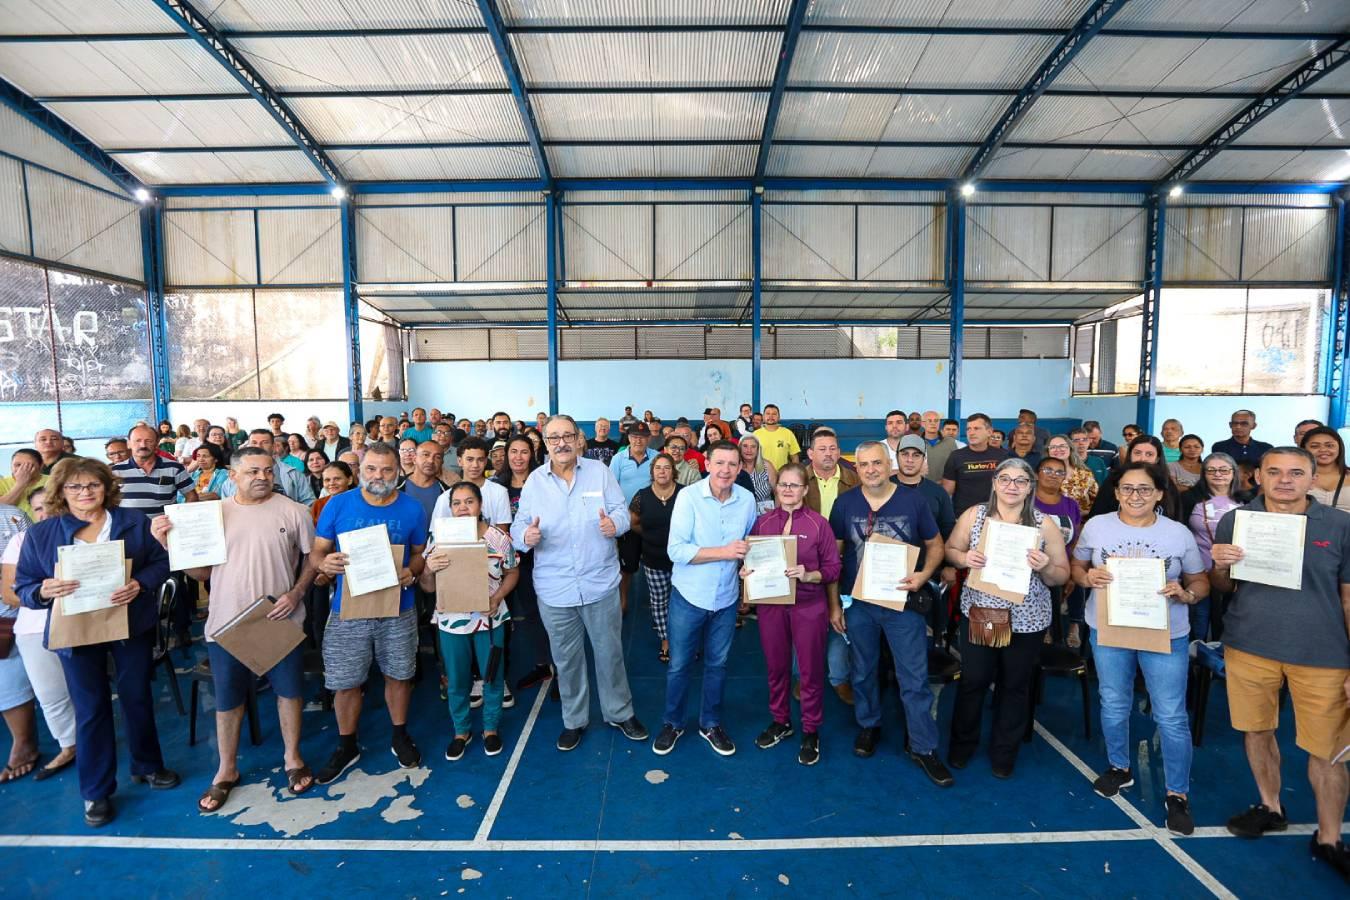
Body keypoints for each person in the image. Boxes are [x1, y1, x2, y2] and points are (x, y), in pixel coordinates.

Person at [151, 447, 318, 812]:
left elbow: (312, 557)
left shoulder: (294, 511)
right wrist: (170, 546)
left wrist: (297, 591)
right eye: (253, 471)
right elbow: (201, 574)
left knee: (289, 693)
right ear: (233, 475)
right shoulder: (212, 516)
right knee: (228, 701)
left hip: (279, 618)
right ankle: (227, 770)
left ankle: (292, 758)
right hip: (226, 623)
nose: (262, 477)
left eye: (268, 471)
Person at [1210, 447, 1350, 878]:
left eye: (1296, 473)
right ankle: (1270, 805)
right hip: (1249, 645)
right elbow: (1223, 585)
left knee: (1327, 751)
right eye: (1275, 472)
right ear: (1258, 477)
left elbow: (1348, 598)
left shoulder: (1341, 525)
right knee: (1257, 730)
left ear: (1313, 479)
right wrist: (1220, 566)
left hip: (1323, 654)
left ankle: (1329, 837)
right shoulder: (1237, 520)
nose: (1285, 480)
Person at [15, 458, 177, 827]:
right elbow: (22, 586)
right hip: (75, 631)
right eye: (75, 487)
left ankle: (148, 766)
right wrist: (42, 589)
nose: (85, 492)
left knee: (137, 696)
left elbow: (162, 562)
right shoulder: (42, 533)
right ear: (60, 492)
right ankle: (96, 791)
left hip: (130, 624)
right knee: (91, 708)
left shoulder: (133, 523)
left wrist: (141, 584)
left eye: (93, 485)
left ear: (106, 487)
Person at [1071, 461, 1209, 836]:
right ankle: (1120, 767)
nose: (1136, 496)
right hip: (1109, 628)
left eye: (1145, 489)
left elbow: (1200, 581)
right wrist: (1086, 577)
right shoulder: (1097, 526)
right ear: (1116, 492)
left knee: (1171, 715)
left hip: (1165, 634)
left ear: (1160, 494)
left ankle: (1177, 793)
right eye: (1128, 489)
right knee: (1114, 701)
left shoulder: (1177, 533)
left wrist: (1187, 593)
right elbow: (1076, 567)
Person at [510, 415, 646, 752]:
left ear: (579, 439)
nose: (561, 443)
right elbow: (517, 529)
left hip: (599, 583)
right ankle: (574, 720)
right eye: (553, 437)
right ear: (545, 441)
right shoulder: (535, 482)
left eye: (567, 435)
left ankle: (619, 712)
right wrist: (526, 536)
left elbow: (620, 512)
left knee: (609, 652)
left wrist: (614, 525)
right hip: (555, 589)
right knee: (567, 660)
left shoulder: (599, 472)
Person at [830, 441, 952, 787]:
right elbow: (835, 557)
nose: (871, 469)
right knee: (863, 671)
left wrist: (924, 575)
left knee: (913, 677)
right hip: (860, 604)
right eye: (864, 464)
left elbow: (936, 544)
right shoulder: (845, 503)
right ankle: (869, 726)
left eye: (877, 463)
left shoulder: (915, 501)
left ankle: (924, 747)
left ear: (890, 464)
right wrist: (834, 603)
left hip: (903, 604)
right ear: (858, 468)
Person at [311, 443, 428, 784]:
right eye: (371, 469)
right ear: (360, 471)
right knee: (346, 682)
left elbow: (420, 553)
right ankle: (347, 744)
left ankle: (399, 734)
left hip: (399, 607)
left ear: (399, 472)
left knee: (400, 674)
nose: (378, 476)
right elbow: (317, 554)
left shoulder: (413, 509)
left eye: (387, 470)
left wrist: (414, 571)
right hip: (348, 609)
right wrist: (325, 563)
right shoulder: (338, 504)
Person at [946, 458, 1070, 778]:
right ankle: (963, 744)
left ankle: (1004, 751)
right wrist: (964, 557)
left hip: (1026, 620)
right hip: (986, 612)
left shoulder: (1044, 524)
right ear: (994, 483)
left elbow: (1060, 576)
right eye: (1005, 479)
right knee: (975, 680)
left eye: (1019, 481)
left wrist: (1044, 566)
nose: (1011, 486)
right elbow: (951, 549)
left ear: (1030, 487)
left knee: (1013, 685)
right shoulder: (975, 516)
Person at [652, 441, 756, 757]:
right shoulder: (688, 497)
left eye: (732, 464)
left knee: (718, 665)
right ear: (707, 464)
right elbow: (676, 551)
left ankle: (710, 723)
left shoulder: (747, 500)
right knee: (680, 665)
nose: (726, 470)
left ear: (740, 468)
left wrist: (746, 569)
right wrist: (725, 553)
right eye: (720, 463)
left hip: (725, 599)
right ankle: (673, 722)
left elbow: (751, 544)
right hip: (689, 597)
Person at [744, 461, 842, 766]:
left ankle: (811, 729)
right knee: (776, 667)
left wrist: (808, 574)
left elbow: (833, 568)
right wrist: (746, 571)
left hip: (808, 606)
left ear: (805, 489)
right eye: (783, 484)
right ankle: (781, 721)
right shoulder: (762, 522)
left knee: (810, 671)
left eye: (794, 485)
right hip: (772, 605)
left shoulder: (818, 524)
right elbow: (750, 557)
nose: (788, 490)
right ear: (776, 488)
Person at [421, 482, 518, 760]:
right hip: (452, 621)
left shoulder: (498, 538)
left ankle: (490, 728)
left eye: (469, 502)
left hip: (490, 621)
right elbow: (428, 587)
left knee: (492, 675)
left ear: (480, 505)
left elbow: (512, 573)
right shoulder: (438, 540)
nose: (463, 508)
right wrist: (428, 569)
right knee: (457, 679)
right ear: (450, 508)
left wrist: (497, 597)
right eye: (457, 503)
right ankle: (461, 731)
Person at [3, 486, 77, 781]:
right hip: (35, 627)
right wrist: (43, 595)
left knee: (89, 688)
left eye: (50, 505)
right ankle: (69, 745)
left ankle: (95, 740)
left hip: (83, 622)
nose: (45, 513)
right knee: (51, 694)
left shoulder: (82, 534)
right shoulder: (22, 540)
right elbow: (8, 594)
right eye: (38, 509)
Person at [497, 436, 552, 692]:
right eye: (513, 452)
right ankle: (540, 664)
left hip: (536, 558)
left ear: (533, 454)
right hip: (504, 562)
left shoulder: (543, 481)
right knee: (518, 615)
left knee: (543, 614)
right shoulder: (498, 486)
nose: (518, 457)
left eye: (524, 452)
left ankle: (560, 669)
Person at [1178, 452, 1243, 642]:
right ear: (1203, 474)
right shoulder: (1189, 498)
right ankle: (1197, 668)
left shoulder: (1248, 499)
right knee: (1197, 624)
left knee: (1226, 625)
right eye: (1211, 470)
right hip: (1199, 572)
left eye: (1224, 469)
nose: (1218, 474)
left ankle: (1220, 668)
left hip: (1235, 574)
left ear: (1234, 473)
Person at [629, 454, 682, 664]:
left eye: (666, 467)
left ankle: (684, 641)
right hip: (653, 559)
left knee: (683, 604)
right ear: (652, 471)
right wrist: (650, 536)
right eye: (658, 467)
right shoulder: (641, 496)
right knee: (660, 603)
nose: (662, 471)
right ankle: (666, 640)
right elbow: (633, 522)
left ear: (673, 471)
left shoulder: (685, 493)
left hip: (682, 562)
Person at [611, 424, 655, 612]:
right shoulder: (619, 459)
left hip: (651, 518)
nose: (638, 440)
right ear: (628, 438)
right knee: (626, 565)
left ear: (649, 438)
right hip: (626, 520)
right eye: (634, 436)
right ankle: (623, 600)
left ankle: (657, 601)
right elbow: (610, 488)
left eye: (643, 436)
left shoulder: (656, 457)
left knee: (655, 562)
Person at [1089, 436, 1180, 520]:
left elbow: (1176, 519)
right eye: (1137, 453)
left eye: (1149, 454)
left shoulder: (1167, 483)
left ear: (1157, 459)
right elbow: (1098, 514)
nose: (1142, 458)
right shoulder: (1114, 479)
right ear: (1130, 455)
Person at [218, 430, 314, 507]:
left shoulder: (294, 474)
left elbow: (309, 504)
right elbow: (226, 507)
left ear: (273, 447)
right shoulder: (234, 477)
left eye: (265, 442)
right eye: (254, 442)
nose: (259, 446)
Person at [942, 413, 1008, 517]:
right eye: (968, 429)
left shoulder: (1003, 456)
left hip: (997, 515)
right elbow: (947, 492)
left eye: (977, 428)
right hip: (964, 516)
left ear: (989, 432)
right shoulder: (956, 456)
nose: (971, 433)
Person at [453, 437, 512, 526]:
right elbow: (437, 534)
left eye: (480, 460)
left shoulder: (500, 492)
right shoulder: (447, 497)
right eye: (470, 459)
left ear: (485, 462)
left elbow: (502, 532)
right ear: (459, 461)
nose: (475, 465)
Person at [804, 429, 859, 521]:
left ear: (838, 453)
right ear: (810, 454)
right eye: (822, 449)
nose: (828, 453)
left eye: (832, 449)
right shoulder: (798, 479)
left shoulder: (855, 479)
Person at [1301, 426, 1350, 514]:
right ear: (1304, 449)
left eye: (1329, 445)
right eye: (1314, 446)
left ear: (1340, 447)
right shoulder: (1295, 476)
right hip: (1307, 526)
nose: (1323, 450)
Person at [1046, 434, 1096, 518]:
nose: (1057, 449)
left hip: (1080, 523)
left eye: (1062, 446)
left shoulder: (1085, 475)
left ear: (1070, 449)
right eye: (1053, 447)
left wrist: (1084, 513)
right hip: (1049, 523)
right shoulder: (1042, 475)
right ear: (1048, 452)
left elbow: (1097, 502)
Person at [0, 449, 46, 522]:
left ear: (41, 466)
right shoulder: (2, 483)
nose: (22, 469)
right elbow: (2, 509)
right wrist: (21, 483)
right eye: (17, 465)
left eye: (29, 465)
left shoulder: (54, 481)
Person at [736, 433, 778, 513]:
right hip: (741, 514)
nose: (749, 450)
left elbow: (778, 492)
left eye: (753, 446)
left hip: (766, 514)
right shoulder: (734, 467)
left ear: (758, 449)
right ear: (739, 448)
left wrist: (775, 512)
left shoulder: (767, 465)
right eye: (745, 446)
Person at [753, 403, 800, 470]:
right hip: (761, 476)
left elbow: (794, 457)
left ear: (779, 417)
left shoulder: (788, 433)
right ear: (763, 417)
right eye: (768, 413)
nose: (771, 416)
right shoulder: (755, 434)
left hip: (782, 476)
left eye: (774, 414)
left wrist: (795, 473)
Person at [922, 411, 960, 484]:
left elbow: (956, 466)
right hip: (921, 488)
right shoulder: (916, 442)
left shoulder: (950, 442)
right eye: (929, 421)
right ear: (923, 424)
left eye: (936, 421)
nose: (933, 423)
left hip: (945, 488)